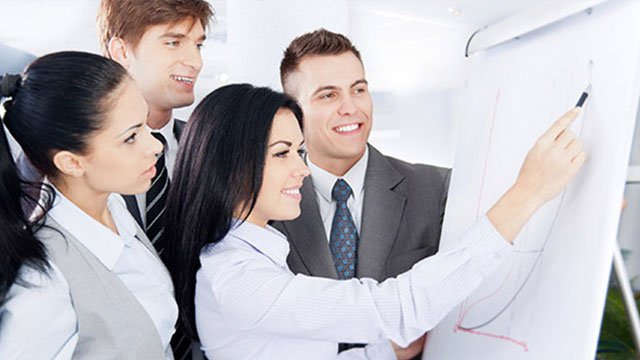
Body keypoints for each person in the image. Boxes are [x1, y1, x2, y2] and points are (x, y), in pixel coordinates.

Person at [164, 83, 585, 359]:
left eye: (299, 151)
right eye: (282, 153)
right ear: (231, 165)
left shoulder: (251, 255)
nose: (302, 169)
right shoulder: (238, 279)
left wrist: (384, 354)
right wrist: (528, 193)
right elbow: (400, 307)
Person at [271, 27, 449, 355]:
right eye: (328, 95)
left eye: (358, 89)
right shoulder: (263, 208)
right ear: (294, 111)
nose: (351, 107)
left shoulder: (437, 189)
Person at [0, 52, 176, 359]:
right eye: (131, 137)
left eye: (145, 125)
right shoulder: (45, 281)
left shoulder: (116, 208)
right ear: (71, 162)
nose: (156, 146)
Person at [97, 1, 213, 357]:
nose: (194, 61)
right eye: (174, 42)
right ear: (121, 51)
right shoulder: (78, 164)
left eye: (198, 44)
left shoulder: (211, 154)